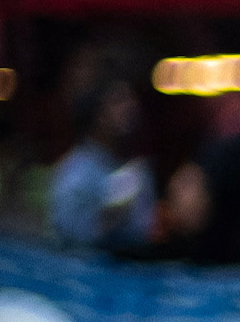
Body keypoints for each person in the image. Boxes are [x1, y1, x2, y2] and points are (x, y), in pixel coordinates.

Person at [44, 72, 159, 251]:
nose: (130, 107)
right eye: (118, 101)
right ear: (98, 113)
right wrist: (111, 212)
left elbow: (143, 234)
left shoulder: (138, 172)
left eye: (131, 99)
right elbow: (67, 235)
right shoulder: (75, 171)